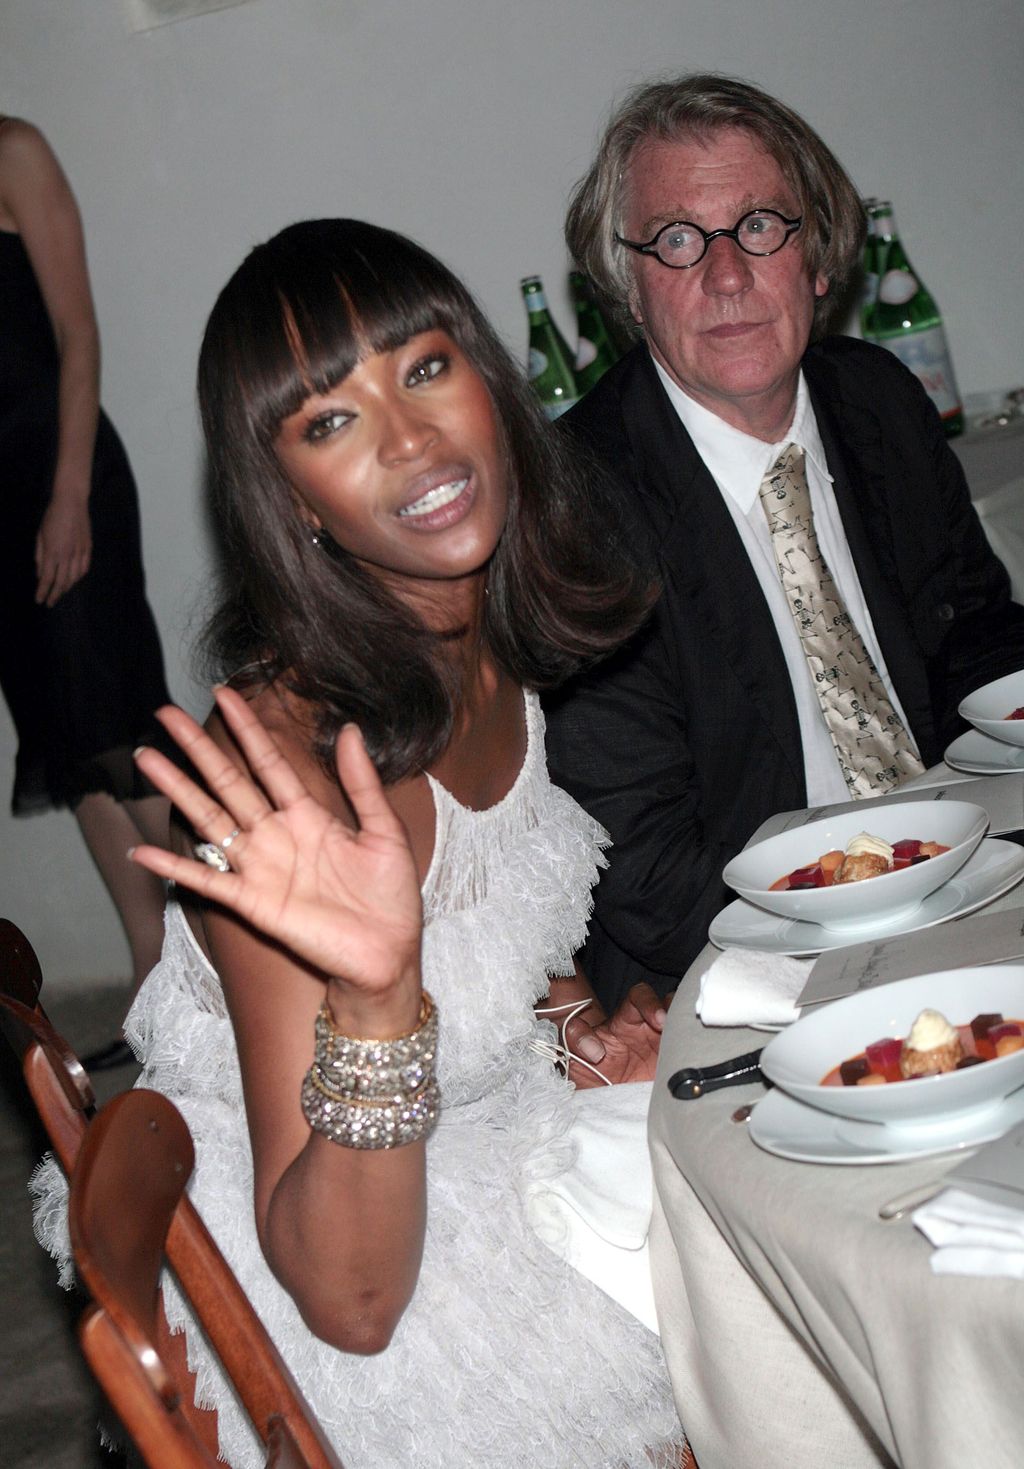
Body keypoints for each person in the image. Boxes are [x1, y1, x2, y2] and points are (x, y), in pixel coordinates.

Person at [32, 219, 684, 1469]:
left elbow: (506, 907)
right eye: (329, 421)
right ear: (291, 504)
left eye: (425, 367)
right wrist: (379, 998)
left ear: (490, 380)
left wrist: (573, 1022)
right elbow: (353, 1302)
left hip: (491, 1143)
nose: (409, 440)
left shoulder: (480, 638)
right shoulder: (288, 790)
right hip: (353, 1258)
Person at [544, 73, 1024, 1012]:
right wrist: (860, 971)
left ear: (819, 259)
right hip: (753, 965)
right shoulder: (578, 505)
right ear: (629, 290)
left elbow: (975, 634)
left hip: (964, 877)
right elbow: (645, 866)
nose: (728, 277)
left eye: (761, 225)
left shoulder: (877, 399)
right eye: (679, 241)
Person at [0, 117, 171, 1061]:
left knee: (112, 718)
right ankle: (155, 969)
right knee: (66, 740)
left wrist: (69, 494)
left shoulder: (12, 151)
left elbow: (76, 335)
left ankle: (238, 922)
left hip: (61, 478)